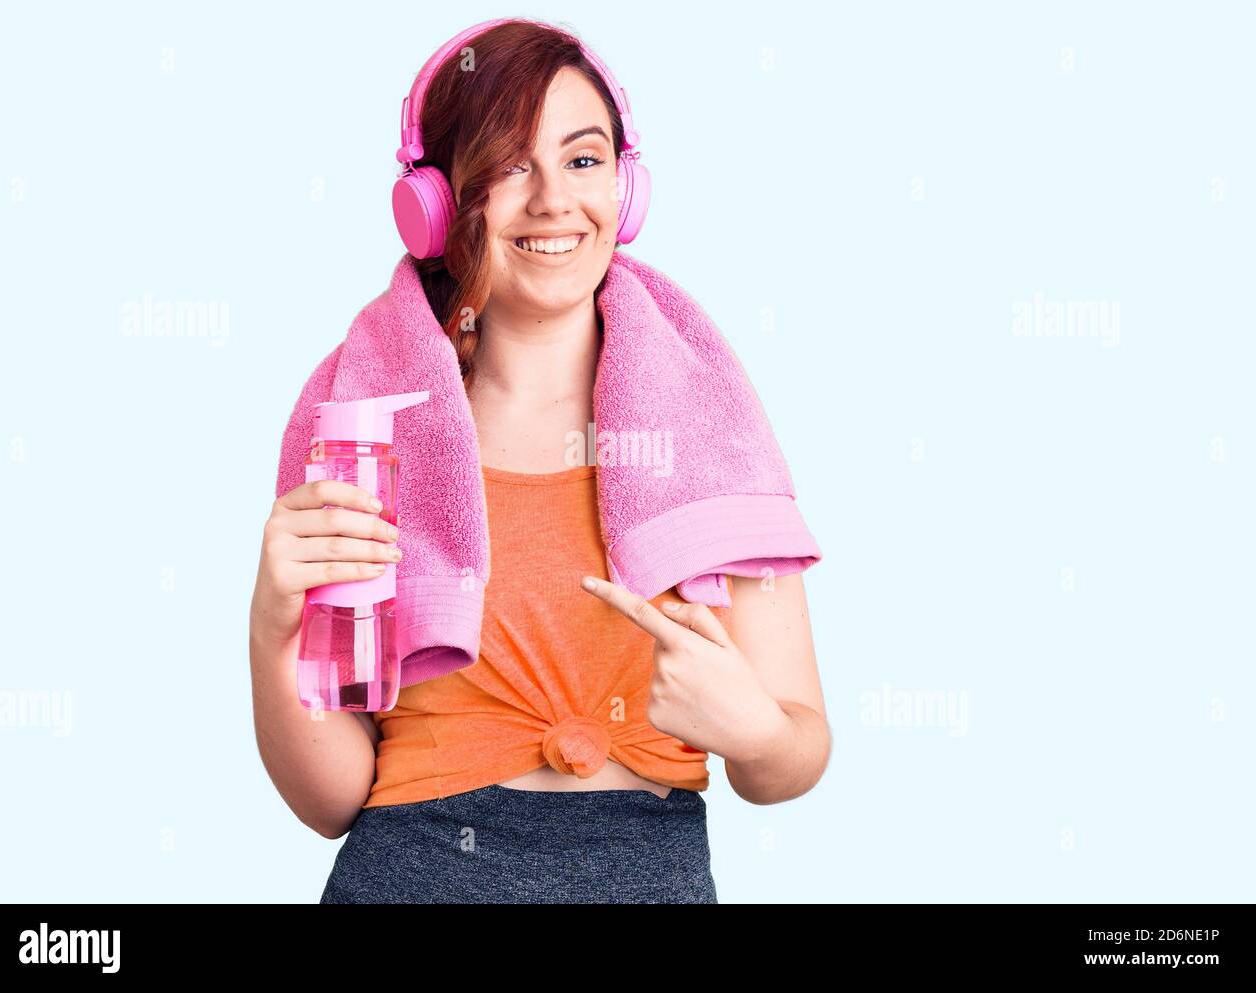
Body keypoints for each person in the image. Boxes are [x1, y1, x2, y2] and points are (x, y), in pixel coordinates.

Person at [249, 18, 829, 904]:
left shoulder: (708, 420)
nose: (555, 199)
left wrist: (753, 731)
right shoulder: (368, 430)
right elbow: (331, 799)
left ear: (625, 187)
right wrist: (272, 625)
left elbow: (795, 753)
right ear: (437, 204)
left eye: (584, 159)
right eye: (510, 166)